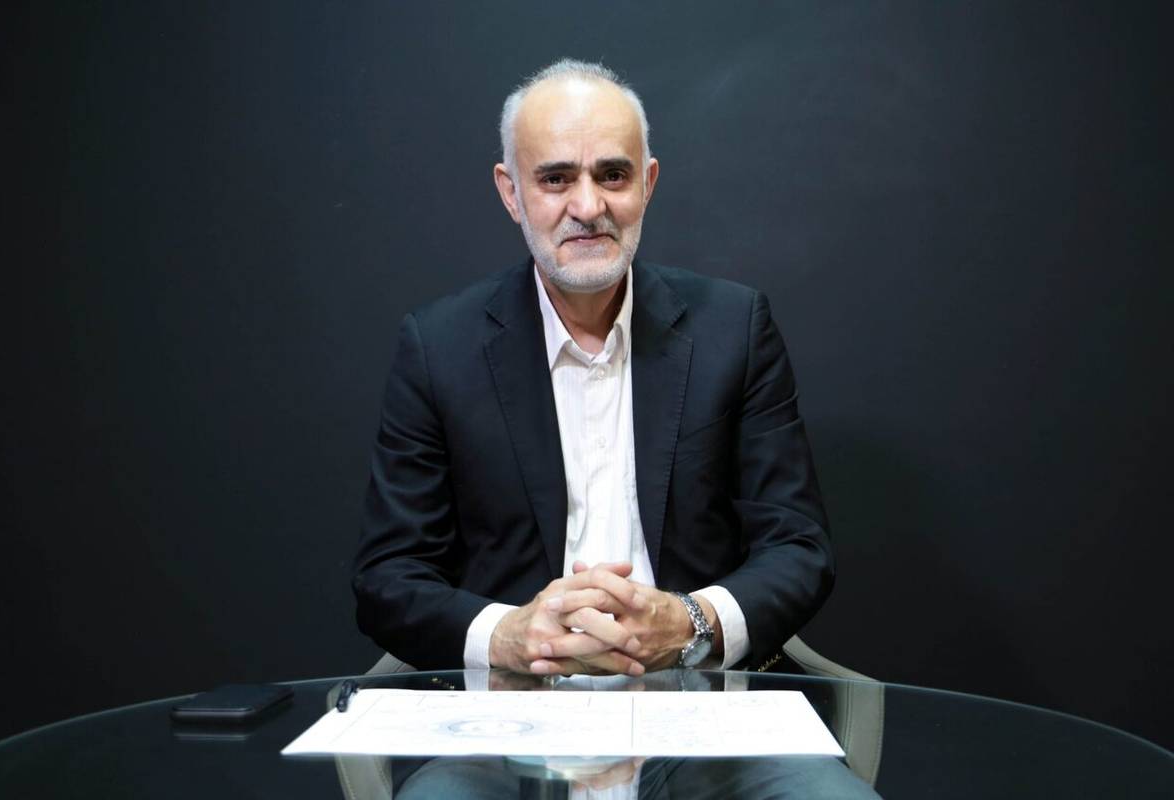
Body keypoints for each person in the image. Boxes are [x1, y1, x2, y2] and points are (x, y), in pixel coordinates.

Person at [351, 57, 880, 800]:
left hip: (709, 721)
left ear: (648, 183)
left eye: (613, 174)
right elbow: (387, 576)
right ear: (511, 191)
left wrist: (690, 623)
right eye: (556, 178)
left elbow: (798, 547)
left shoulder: (735, 328)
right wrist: (508, 635)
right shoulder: (439, 347)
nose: (588, 205)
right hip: (501, 732)